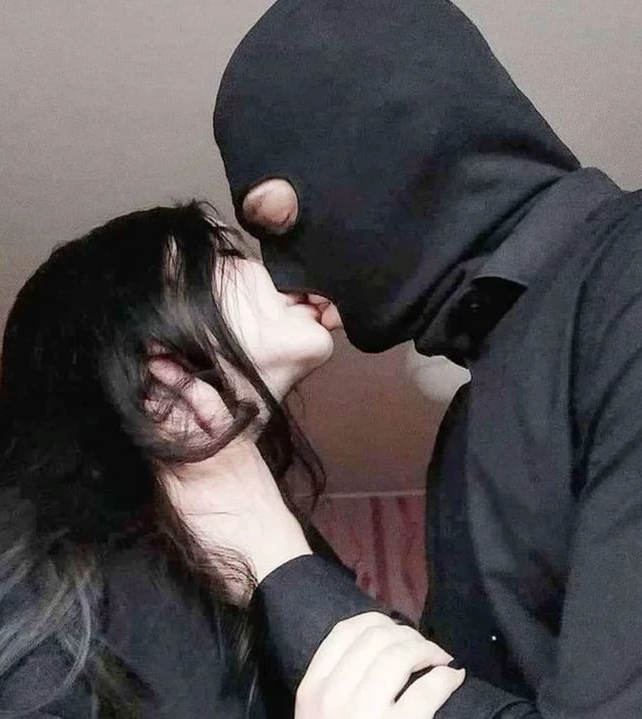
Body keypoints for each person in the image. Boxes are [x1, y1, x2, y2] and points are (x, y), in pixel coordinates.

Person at [180, 0, 642, 717]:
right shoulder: (465, 427)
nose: (282, 276)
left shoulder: (627, 274)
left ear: (388, 141)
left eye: (282, 221)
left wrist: (275, 558)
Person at [0, 202, 463, 718]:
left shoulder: (283, 558)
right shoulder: (8, 595)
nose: (276, 269)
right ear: (141, 331)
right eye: (225, 254)